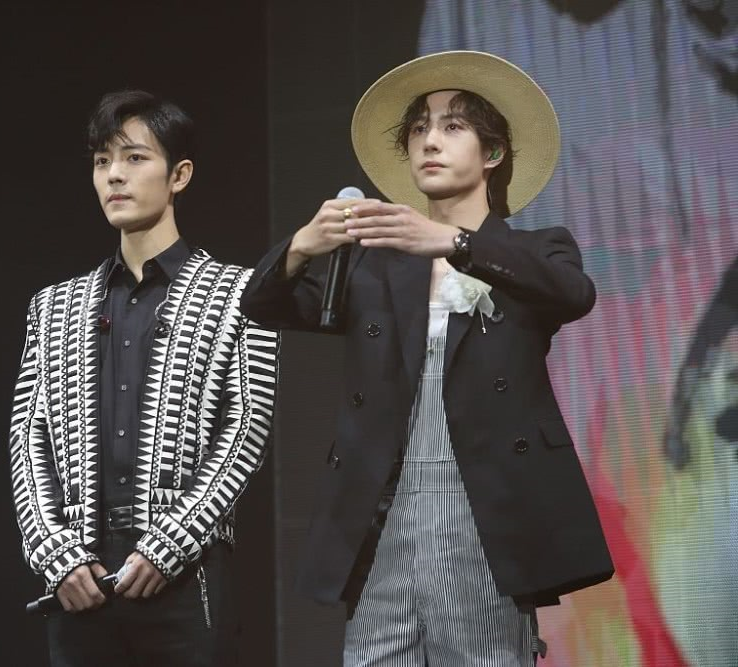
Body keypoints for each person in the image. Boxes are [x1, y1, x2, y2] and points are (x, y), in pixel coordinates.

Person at [240, 51, 614, 666]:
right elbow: (263, 304)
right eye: (418, 129)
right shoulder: (375, 265)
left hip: (485, 502)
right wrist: (301, 247)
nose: (429, 141)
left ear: (493, 153)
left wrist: (459, 243)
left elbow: (575, 294)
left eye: (452, 126)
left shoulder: (534, 252)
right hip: (385, 505)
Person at [9, 89, 279, 667]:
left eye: (134, 158)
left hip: (185, 574)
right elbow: (29, 438)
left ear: (179, 174)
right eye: (102, 161)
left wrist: (170, 544)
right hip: (80, 579)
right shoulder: (54, 306)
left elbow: (246, 430)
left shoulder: (240, 293)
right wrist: (54, 553)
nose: (114, 175)